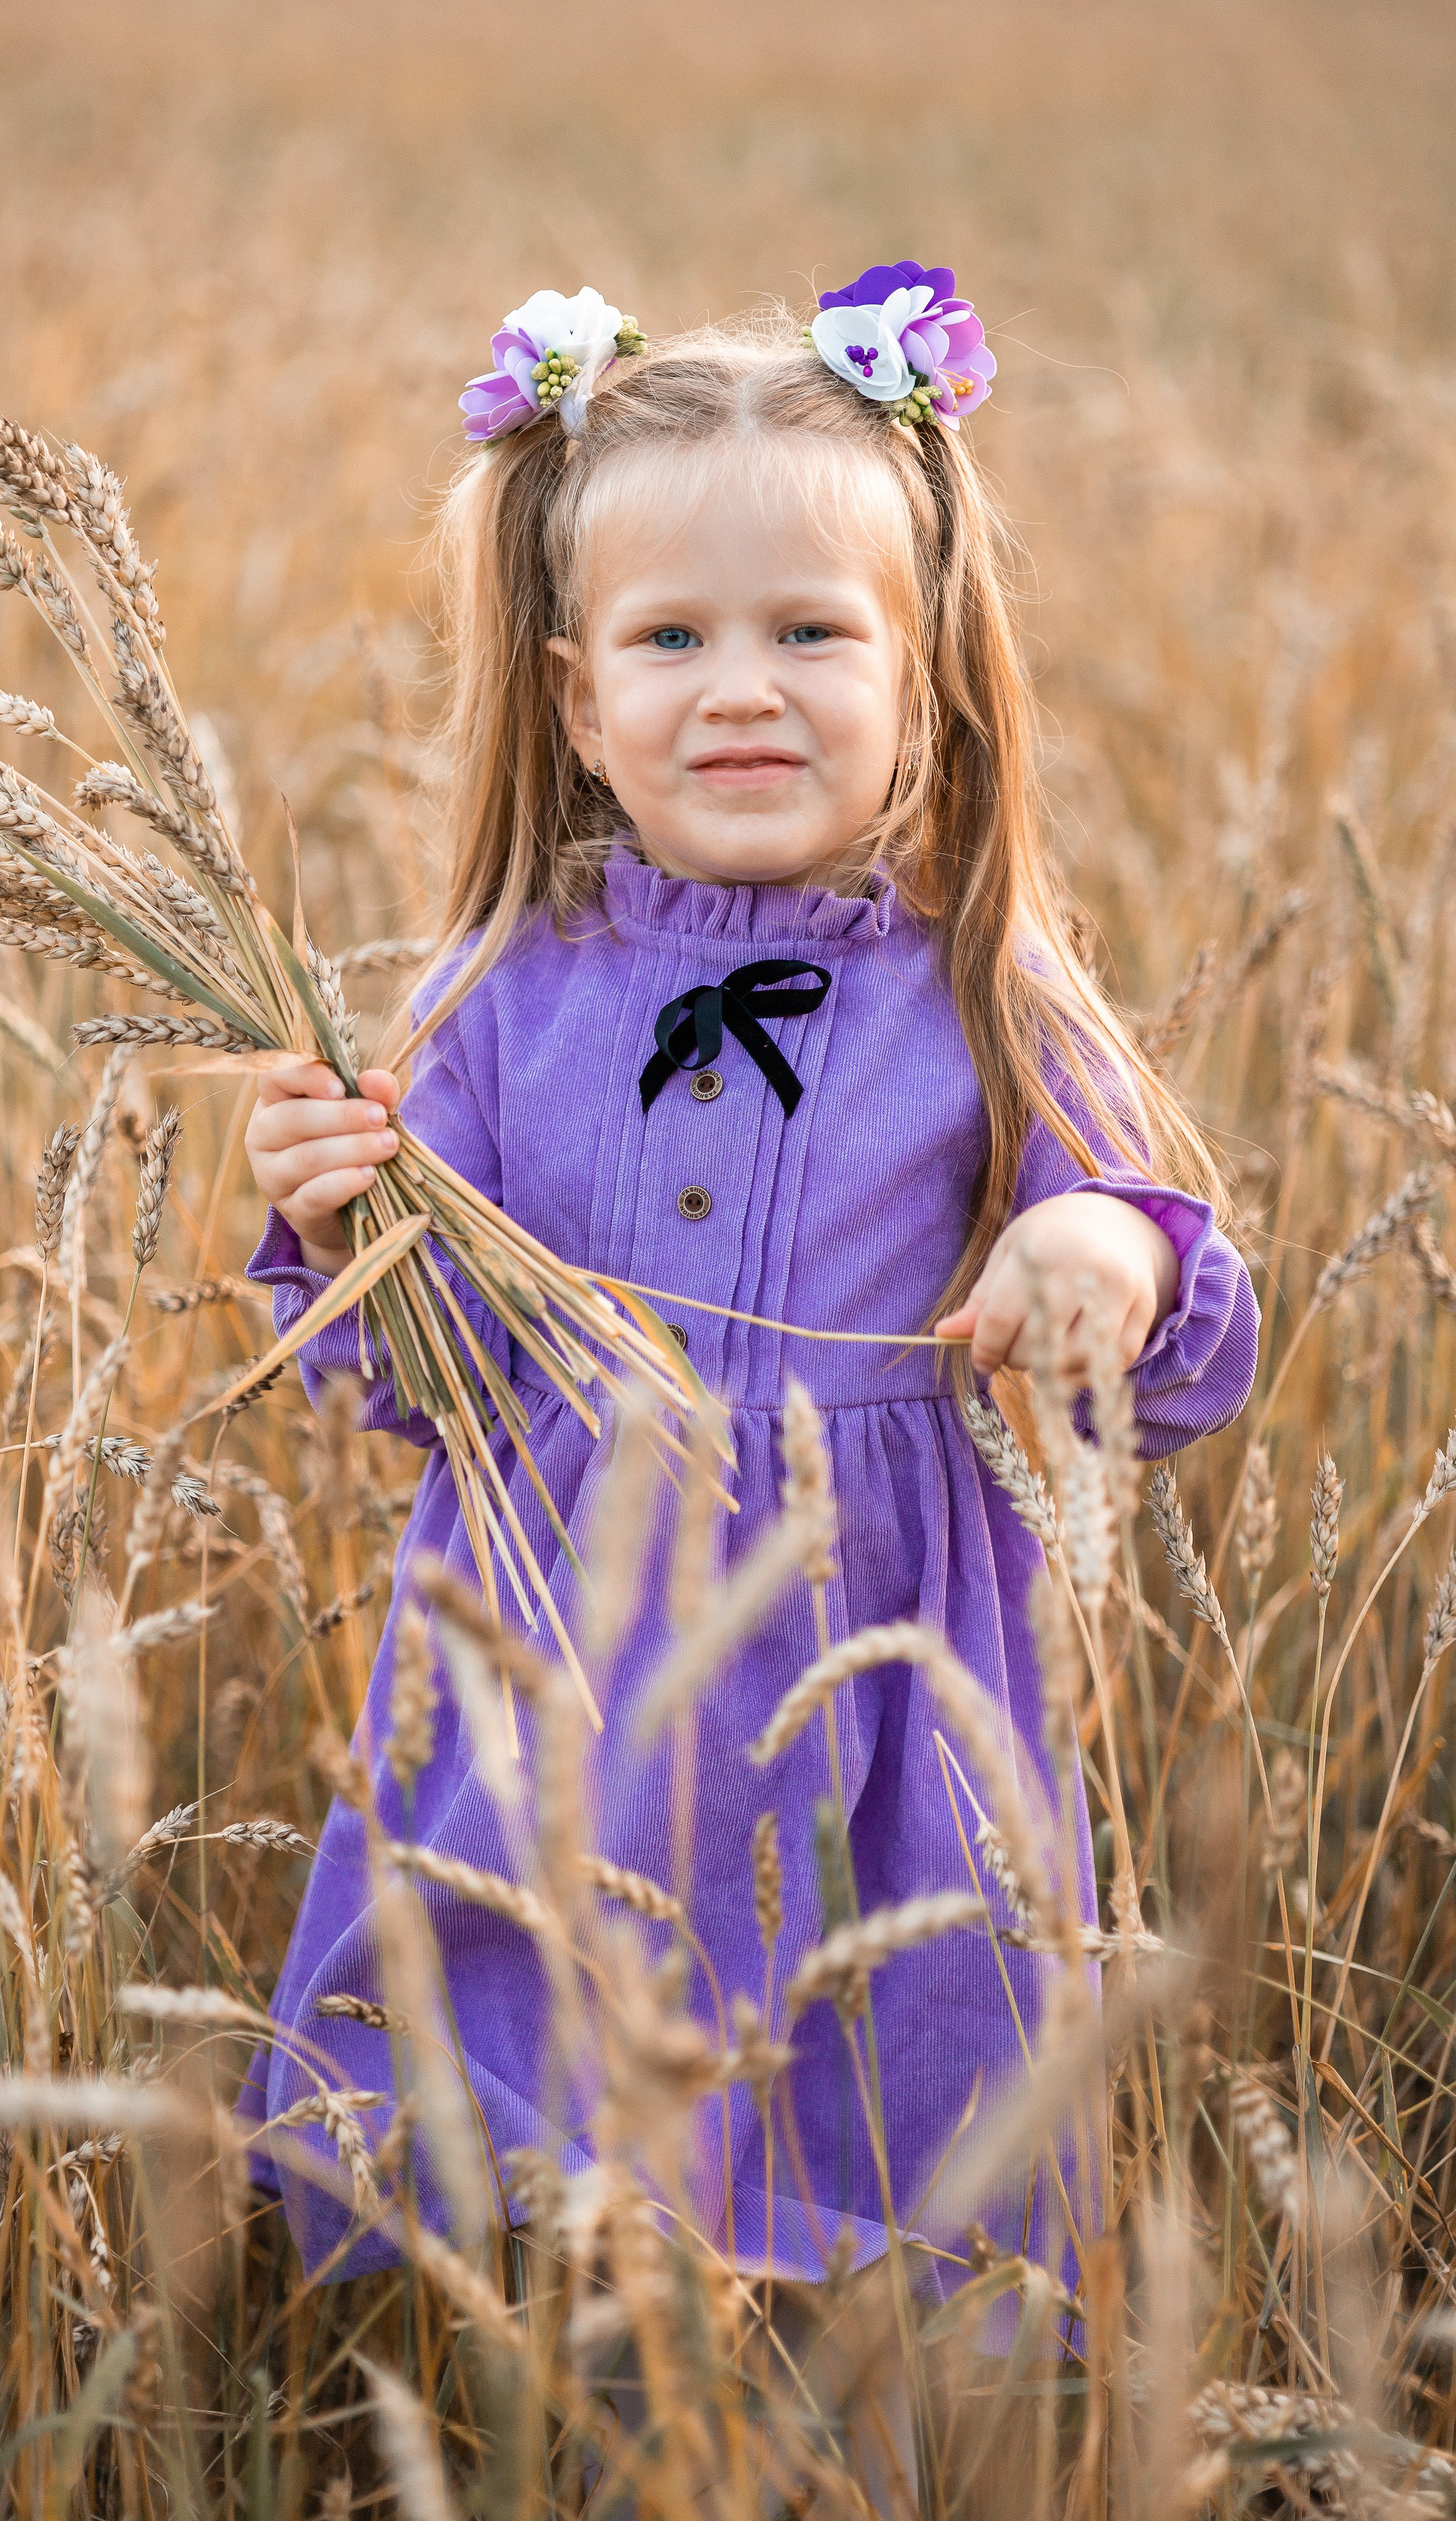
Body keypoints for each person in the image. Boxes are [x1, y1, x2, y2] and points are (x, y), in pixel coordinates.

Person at [236, 270, 1257, 2325]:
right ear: (574, 695)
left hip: (874, 1686)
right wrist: (337, 1223)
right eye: (672, 639)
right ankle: (525, 2379)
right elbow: (403, 1384)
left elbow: (1188, 1318)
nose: (742, 689)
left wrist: (1102, 1250)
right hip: (556, 1677)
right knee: (523, 2133)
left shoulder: (984, 994)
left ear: (927, 676)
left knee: (886, 2137)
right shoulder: (496, 1005)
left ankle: (853, 2397)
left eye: (812, 634)